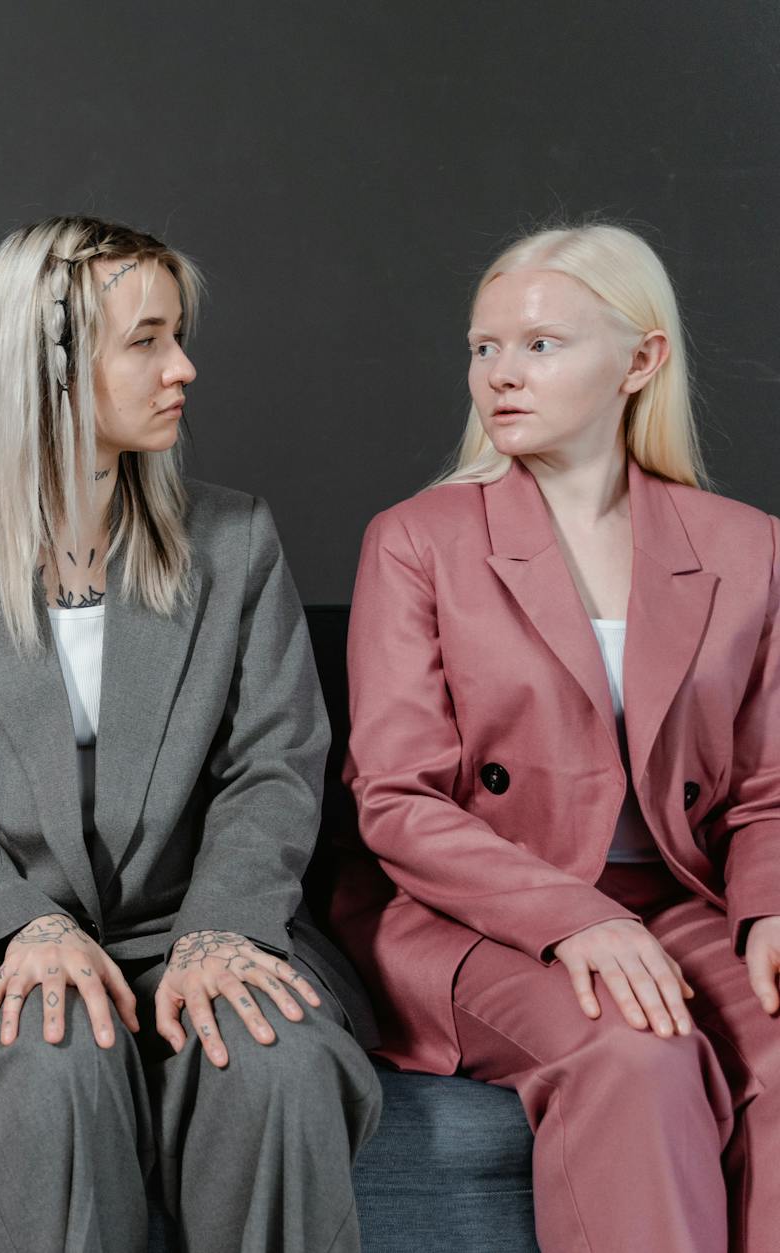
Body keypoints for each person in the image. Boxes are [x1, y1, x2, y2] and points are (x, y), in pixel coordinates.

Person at [0, 215, 382, 1253]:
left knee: (265, 1056)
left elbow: (273, 766)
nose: (180, 367)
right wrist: (23, 930)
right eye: (145, 340)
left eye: (176, 335)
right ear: (46, 366)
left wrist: (223, 925)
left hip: (207, 912)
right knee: (51, 1051)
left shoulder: (235, 541)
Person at [333, 222, 780, 1253]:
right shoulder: (417, 538)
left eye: (539, 344)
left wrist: (765, 915)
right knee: (633, 1048)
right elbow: (394, 797)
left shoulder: (745, 548)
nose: (499, 373)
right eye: (482, 347)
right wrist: (570, 918)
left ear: (640, 359)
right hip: (471, 914)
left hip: (679, 901)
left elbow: (764, 788)